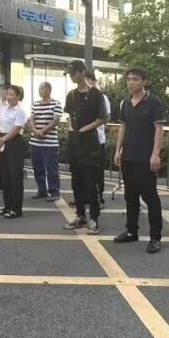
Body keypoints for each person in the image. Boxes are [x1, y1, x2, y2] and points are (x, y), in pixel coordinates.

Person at [113, 68, 166, 253]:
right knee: (130, 196)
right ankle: (131, 230)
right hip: (128, 157)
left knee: (150, 197)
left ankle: (155, 237)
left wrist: (155, 153)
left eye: (135, 79)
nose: (131, 82)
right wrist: (118, 150)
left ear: (144, 81)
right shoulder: (126, 102)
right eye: (129, 79)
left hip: (145, 158)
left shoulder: (154, 102)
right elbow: (123, 126)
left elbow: (159, 129)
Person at [63, 60, 109, 235]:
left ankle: (94, 219)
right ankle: (80, 215)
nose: (71, 76)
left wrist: (85, 129)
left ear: (82, 72)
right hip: (74, 142)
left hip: (90, 144)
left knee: (91, 183)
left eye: (73, 73)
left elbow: (103, 118)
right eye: (69, 74)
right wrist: (71, 128)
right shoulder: (71, 94)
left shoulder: (96, 94)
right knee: (76, 183)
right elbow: (68, 114)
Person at [0, 85, 28, 218]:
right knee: (5, 176)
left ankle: (16, 209)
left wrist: (3, 139)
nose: (9, 97)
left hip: (14, 143)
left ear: (18, 96)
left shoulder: (20, 111)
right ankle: (7, 205)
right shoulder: (3, 109)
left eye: (12, 95)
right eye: (7, 94)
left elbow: (16, 129)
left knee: (15, 176)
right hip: (2, 141)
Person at [29, 82, 63, 202]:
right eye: (39, 89)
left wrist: (43, 131)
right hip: (35, 142)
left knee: (51, 168)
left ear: (49, 90)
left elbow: (56, 120)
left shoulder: (56, 104)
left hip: (50, 142)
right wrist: (35, 130)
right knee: (37, 167)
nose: (40, 91)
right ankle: (42, 190)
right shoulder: (35, 104)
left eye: (42, 88)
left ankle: (54, 191)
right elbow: (31, 119)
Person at [87, 74, 110, 205]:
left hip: (97, 140)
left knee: (97, 172)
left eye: (89, 82)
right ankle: (85, 197)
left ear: (94, 82)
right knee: (84, 171)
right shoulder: (79, 97)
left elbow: (107, 117)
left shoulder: (101, 97)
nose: (87, 85)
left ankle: (99, 198)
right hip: (83, 141)